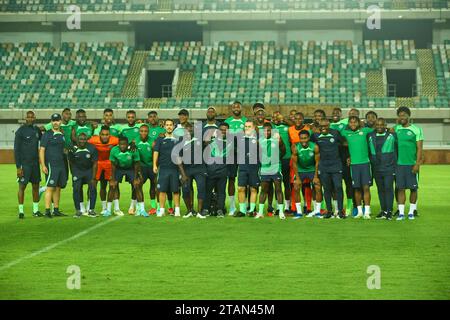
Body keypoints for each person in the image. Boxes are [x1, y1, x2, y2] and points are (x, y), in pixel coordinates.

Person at [341, 116, 374, 219]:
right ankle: (359, 211)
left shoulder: (365, 131)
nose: (353, 124)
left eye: (355, 122)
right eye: (351, 122)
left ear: (359, 123)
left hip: (365, 164)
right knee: (357, 188)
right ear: (348, 124)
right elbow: (339, 132)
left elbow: (376, 128)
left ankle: (367, 211)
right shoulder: (346, 133)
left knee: (366, 187)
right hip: (354, 165)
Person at [394, 106, 423, 220]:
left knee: (413, 188)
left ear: (408, 116)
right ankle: (401, 213)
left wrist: (417, 163)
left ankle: (411, 212)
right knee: (400, 188)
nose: (402, 117)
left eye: (404, 115)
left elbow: (419, 148)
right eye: (400, 115)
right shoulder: (396, 129)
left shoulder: (416, 129)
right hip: (399, 164)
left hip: (412, 164)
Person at [153, 119, 187, 217]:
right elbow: (156, 152)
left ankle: (177, 210)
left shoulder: (178, 139)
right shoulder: (160, 139)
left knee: (176, 190)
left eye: (170, 125)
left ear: (173, 126)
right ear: (164, 127)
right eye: (167, 125)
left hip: (175, 169)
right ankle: (162, 210)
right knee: (162, 190)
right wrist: (154, 165)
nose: (168, 126)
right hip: (163, 168)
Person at [312, 119, 345, 219]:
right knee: (327, 189)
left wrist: (346, 157)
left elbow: (343, 144)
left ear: (329, 125)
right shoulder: (316, 136)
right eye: (321, 126)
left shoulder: (335, 133)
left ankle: (340, 211)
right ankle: (329, 211)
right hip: (324, 165)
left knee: (338, 187)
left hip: (336, 164)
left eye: (325, 126)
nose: (323, 128)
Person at [39, 113, 68, 218]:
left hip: (61, 165)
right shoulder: (47, 134)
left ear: (60, 122)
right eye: (54, 120)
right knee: (50, 188)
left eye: (57, 120)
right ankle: (47, 211)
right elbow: (42, 150)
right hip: (52, 165)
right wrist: (43, 165)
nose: (56, 122)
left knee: (58, 187)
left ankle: (56, 210)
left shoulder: (61, 134)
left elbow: (62, 149)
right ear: (51, 122)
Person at [14, 110, 42, 219]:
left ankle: (35, 210)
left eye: (32, 117)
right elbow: (16, 150)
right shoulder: (20, 131)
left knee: (36, 186)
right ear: (26, 118)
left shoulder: (36, 130)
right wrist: (18, 167)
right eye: (28, 117)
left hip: (35, 164)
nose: (30, 119)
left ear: (34, 118)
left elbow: (42, 140)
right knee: (22, 187)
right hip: (25, 165)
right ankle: (21, 211)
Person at [368, 118, 397, 220]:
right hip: (376, 168)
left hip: (389, 167)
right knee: (380, 190)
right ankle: (383, 210)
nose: (379, 126)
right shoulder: (370, 135)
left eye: (381, 125)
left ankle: (389, 211)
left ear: (385, 125)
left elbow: (397, 149)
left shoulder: (392, 135)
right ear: (375, 125)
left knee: (388, 189)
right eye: (377, 124)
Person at [256, 122, 286, 219]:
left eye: (269, 130)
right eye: (265, 130)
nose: (267, 132)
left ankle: (281, 212)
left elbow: (284, 150)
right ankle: (260, 212)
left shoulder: (277, 140)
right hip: (264, 168)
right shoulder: (259, 141)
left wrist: (276, 159)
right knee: (263, 190)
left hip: (276, 167)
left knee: (278, 189)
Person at [88, 126, 120, 216]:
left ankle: (116, 208)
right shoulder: (93, 140)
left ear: (109, 135)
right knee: (95, 184)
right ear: (99, 135)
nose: (105, 136)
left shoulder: (115, 140)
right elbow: (84, 144)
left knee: (113, 185)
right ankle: (102, 207)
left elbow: (124, 144)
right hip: (97, 163)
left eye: (107, 135)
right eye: (103, 134)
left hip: (109, 163)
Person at [109, 136, 144, 217]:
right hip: (119, 168)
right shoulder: (114, 150)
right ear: (118, 144)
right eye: (121, 144)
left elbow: (136, 164)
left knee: (137, 185)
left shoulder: (133, 149)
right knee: (113, 185)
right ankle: (114, 209)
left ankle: (140, 209)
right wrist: (113, 178)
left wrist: (136, 178)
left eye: (124, 144)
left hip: (130, 168)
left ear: (127, 144)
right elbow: (113, 165)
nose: (122, 146)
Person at [291, 130, 322, 219]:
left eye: (305, 138)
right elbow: (294, 164)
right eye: (301, 138)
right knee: (296, 186)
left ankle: (317, 211)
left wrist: (316, 176)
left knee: (317, 186)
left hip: (312, 169)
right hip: (300, 170)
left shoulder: (315, 147)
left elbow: (317, 162)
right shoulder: (296, 148)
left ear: (308, 138)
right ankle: (299, 212)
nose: (303, 140)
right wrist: (297, 177)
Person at [179, 122, 207, 219]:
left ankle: (200, 212)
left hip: (200, 168)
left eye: (191, 130)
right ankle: (189, 210)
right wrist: (183, 174)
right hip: (187, 169)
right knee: (186, 190)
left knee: (201, 188)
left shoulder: (199, 139)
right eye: (187, 130)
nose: (189, 131)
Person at [224, 101, 247, 216]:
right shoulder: (227, 122)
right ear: (231, 109)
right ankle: (232, 206)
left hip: (243, 154)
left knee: (245, 180)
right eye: (234, 107)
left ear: (241, 108)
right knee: (231, 179)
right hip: (231, 154)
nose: (236, 108)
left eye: (238, 106)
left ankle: (245, 206)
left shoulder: (246, 121)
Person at [330, 107, 354, 216]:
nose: (335, 114)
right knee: (335, 185)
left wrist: (349, 155)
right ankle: (337, 208)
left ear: (341, 115)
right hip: (334, 159)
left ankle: (348, 207)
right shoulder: (328, 126)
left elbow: (347, 140)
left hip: (345, 159)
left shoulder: (345, 124)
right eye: (333, 113)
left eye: (337, 113)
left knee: (349, 184)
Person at [204, 122, 230, 218]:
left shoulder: (230, 142)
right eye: (221, 129)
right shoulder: (210, 142)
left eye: (225, 130)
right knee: (208, 191)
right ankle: (206, 209)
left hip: (223, 171)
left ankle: (220, 210)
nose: (223, 131)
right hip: (211, 170)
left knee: (221, 191)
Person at [69, 133, 98, 218]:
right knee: (76, 189)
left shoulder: (92, 148)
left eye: (84, 139)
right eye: (80, 139)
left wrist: (93, 177)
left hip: (89, 170)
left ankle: (91, 210)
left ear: (87, 140)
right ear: (77, 140)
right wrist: (73, 173)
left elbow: (95, 163)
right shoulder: (72, 149)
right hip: (77, 171)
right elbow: (70, 162)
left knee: (93, 188)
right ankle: (78, 210)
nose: (82, 141)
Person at [119, 109, 142, 214]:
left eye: (133, 117)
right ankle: (116, 207)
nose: (131, 119)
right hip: (125, 160)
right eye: (129, 117)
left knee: (135, 184)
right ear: (126, 118)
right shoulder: (122, 129)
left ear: (135, 118)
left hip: (136, 159)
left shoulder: (139, 127)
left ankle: (133, 206)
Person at [235, 120, 260, 217]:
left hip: (254, 167)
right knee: (241, 188)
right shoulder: (240, 139)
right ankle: (242, 211)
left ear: (254, 128)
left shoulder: (258, 139)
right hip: (243, 167)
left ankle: (252, 210)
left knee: (253, 189)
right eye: (245, 126)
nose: (247, 128)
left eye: (249, 126)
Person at [146, 111, 166, 214]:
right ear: (148, 118)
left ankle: (159, 206)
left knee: (158, 184)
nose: (152, 118)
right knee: (151, 185)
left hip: (160, 161)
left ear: (157, 118)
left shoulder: (162, 130)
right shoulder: (145, 129)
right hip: (147, 161)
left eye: (154, 116)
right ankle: (153, 206)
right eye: (150, 117)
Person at [272, 111, 292, 215]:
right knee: (277, 184)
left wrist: (283, 119)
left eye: (277, 116)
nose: (276, 118)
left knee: (287, 183)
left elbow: (294, 126)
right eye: (274, 116)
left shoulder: (287, 127)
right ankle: (278, 207)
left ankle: (288, 206)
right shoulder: (271, 127)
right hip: (275, 159)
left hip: (287, 158)